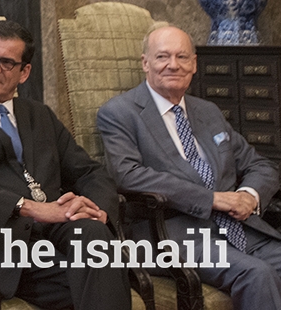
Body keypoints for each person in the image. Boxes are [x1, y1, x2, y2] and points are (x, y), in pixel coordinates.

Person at [0, 20, 131, 309]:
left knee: (93, 234)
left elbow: (89, 171)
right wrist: (26, 206)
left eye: (7, 62)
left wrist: (98, 212)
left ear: (24, 72)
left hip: (57, 233)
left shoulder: (39, 114)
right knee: (102, 281)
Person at [97, 25, 281, 308]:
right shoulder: (119, 113)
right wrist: (212, 199)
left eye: (182, 57)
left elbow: (259, 164)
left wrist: (249, 195)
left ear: (194, 64)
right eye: (162, 57)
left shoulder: (208, 111)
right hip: (171, 234)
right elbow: (128, 175)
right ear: (145, 63)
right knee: (256, 274)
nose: (173, 65)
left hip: (237, 227)